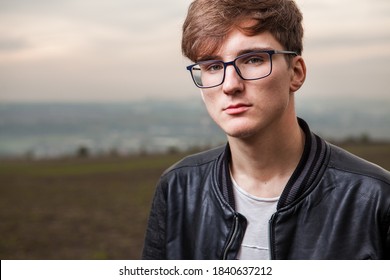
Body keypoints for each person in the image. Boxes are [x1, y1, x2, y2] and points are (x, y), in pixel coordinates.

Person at [142, 0, 390, 260]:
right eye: (213, 66)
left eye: (253, 59)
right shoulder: (178, 188)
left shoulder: (376, 200)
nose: (230, 85)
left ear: (295, 73)